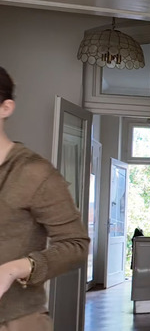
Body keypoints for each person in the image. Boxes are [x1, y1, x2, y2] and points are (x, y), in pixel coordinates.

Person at [0, 66, 89, 331]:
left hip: (15, 320)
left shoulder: (34, 172)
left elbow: (76, 245)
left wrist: (14, 268)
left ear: (5, 108)